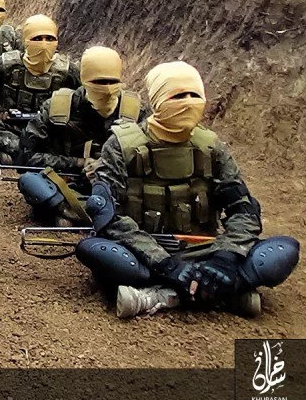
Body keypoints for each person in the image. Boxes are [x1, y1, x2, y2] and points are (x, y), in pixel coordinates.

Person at [78, 62, 299, 319]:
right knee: (96, 251)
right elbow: (107, 215)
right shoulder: (122, 145)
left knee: (282, 251)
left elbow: (243, 210)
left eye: (195, 95)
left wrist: (226, 257)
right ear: (159, 100)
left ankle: (163, 295)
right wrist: (166, 264)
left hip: (205, 250)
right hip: (145, 250)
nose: (188, 103)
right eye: (178, 96)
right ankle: (225, 294)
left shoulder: (211, 147)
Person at [16, 46, 146, 225]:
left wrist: (107, 167)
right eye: (99, 82)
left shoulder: (136, 111)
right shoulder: (57, 107)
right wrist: (77, 163)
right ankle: (82, 212)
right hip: (67, 184)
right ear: (84, 80)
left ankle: (81, 215)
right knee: (31, 183)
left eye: (113, 81)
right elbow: (25, 157)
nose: (107, 89)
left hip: (118, 189)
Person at [0, 14, 80, 165]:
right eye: (37, 38)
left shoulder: (67, 71)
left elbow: (87, 101)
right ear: (26, 41)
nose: (44, 44)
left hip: (49, 133)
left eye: (50, 38)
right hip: (11, 129)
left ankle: (17, 154)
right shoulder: (6, 64)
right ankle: (37, 156)